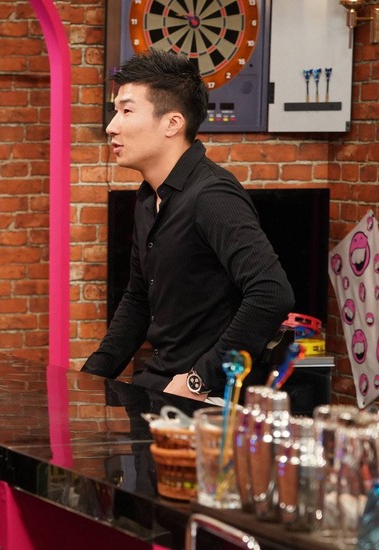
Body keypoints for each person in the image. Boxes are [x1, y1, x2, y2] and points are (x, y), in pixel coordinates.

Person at [82, 50, 294, 400]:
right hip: (158, 385)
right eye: (115, 111)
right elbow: (138, 301)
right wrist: (85, 381)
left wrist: (199, 379)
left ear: (172, 123)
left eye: (127, 111)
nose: (111, 126)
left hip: (204, 399)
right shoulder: (149, 199)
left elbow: (271, 292)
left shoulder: (212, 194)